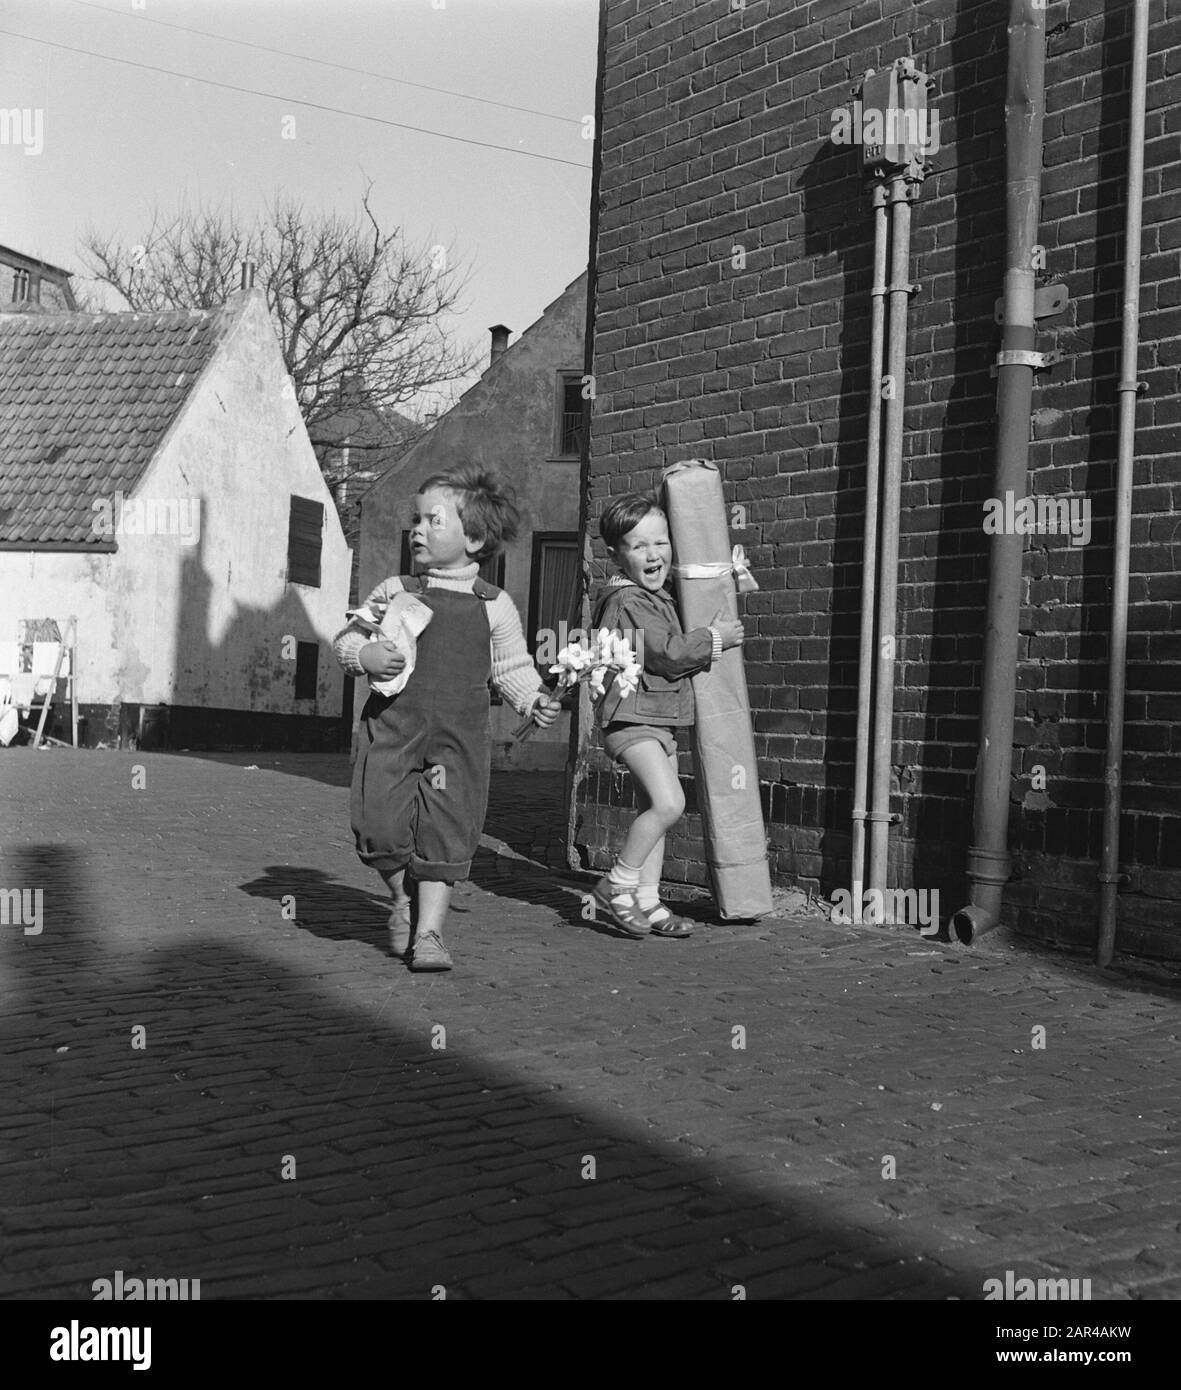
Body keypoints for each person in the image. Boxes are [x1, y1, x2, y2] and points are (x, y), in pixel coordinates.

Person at [333, 466, 562, 970]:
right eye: (416, 519)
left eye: (432, 521)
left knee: (447, 829)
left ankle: (430, 934)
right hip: (392, 728)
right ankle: (400, 895)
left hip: (458, 739)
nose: (417, 529)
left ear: (475, 538)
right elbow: (349, 638)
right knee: (377, 824)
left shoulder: (495, 606)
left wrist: (533, 699)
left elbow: (511, 668)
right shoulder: (395, 590)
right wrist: (365, 656)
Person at [590, 492, 744, 938]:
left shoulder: (656, 597)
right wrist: (715, 637)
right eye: (639, 547)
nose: (653, 554)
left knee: (653, 810)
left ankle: (648, 901)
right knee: (669, 803)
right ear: (617, 554)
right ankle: (617, 886)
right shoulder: (629, 602)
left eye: (661, 542)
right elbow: (667, 653)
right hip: (632, 718)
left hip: (659, 720)